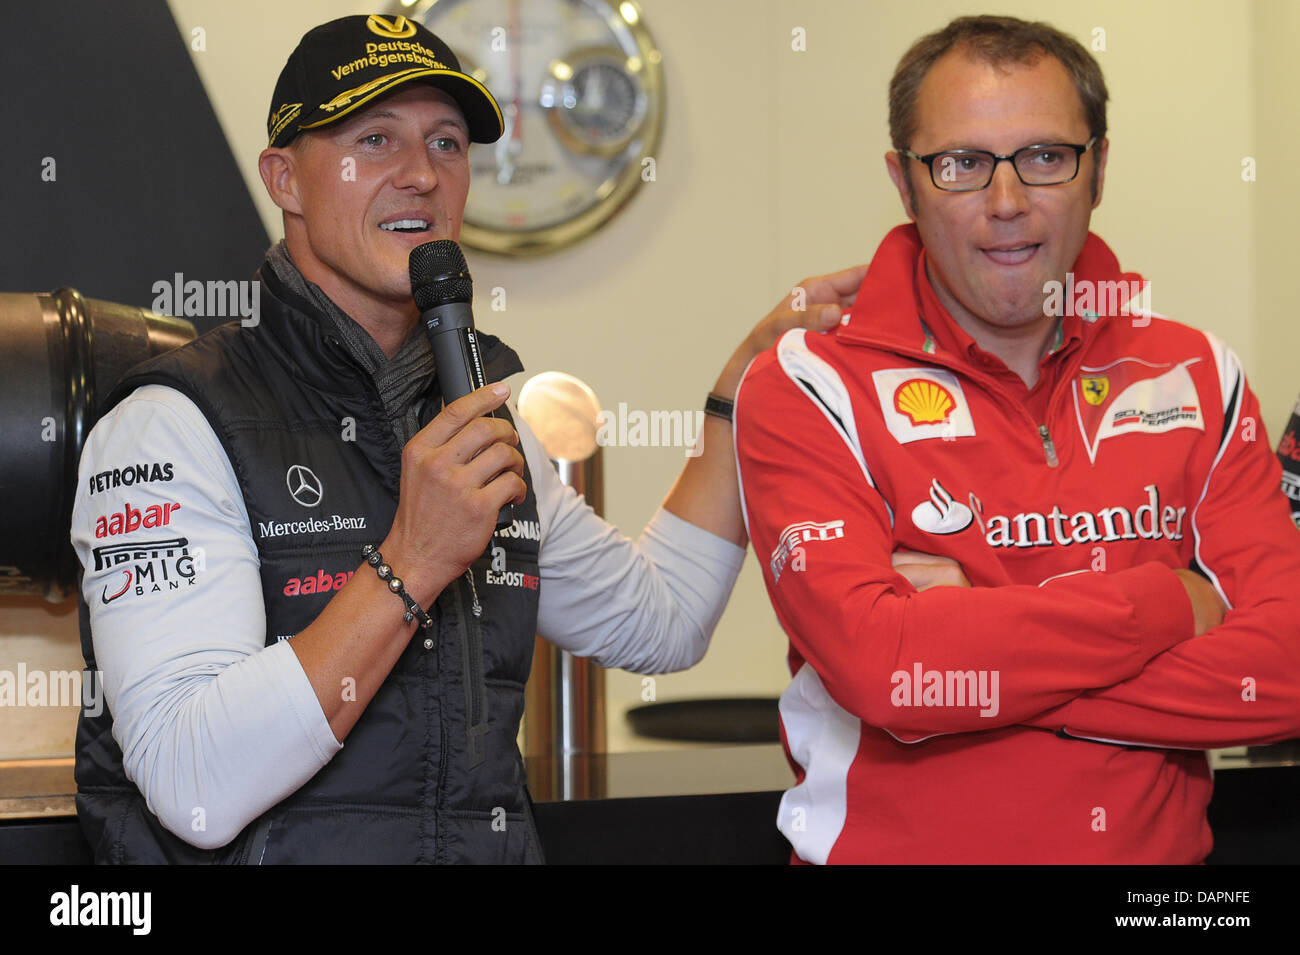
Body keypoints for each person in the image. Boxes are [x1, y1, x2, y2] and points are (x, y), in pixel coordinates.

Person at [70, 13, 862, 864]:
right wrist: (411, 560)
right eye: (374, 140)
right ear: (284, 178)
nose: (420, 174)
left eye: (447, 144)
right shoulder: (169, 424)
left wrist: (737, 392)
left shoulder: (481, 422)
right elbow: (195, 784)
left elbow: (659, 623)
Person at [734, 14, 1300, 864]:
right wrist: (1173, 602)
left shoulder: (1195, 372)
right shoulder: (806, 384)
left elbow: (1284, 672)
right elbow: (884, 670)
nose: (1006, 204)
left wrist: (960, 653)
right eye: (962, 163)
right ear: (904, 180)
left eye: (1044, 157)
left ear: (1099, 168)